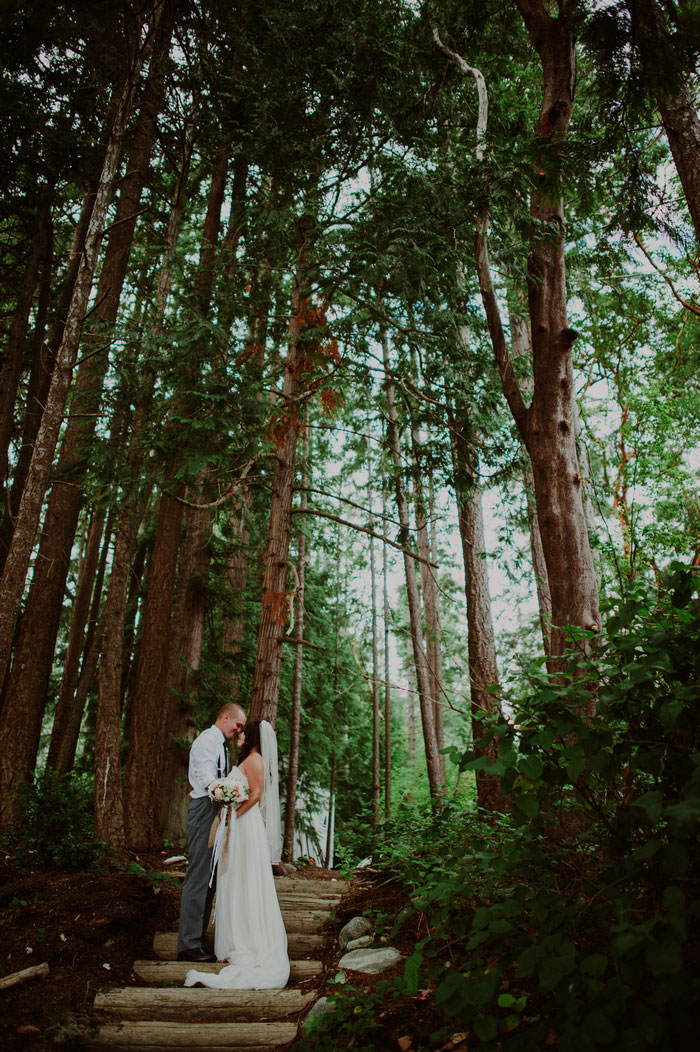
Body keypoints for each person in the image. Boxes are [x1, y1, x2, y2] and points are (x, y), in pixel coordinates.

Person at [184, 719, 290, 989]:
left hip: (244, 824)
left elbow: (255, 795)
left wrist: (235, 816)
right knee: (232, 877)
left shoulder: (254, 760)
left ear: (252, 736)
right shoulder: (246, 757)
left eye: (243, 731)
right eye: (238, 729)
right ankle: (227, 938)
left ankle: (243, 939)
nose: (239, 735)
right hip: (238, 825)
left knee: (242, 878)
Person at [176, 702, 246, 963]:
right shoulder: (207, 741)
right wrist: (228, 789)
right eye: (237, 725)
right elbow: (206, 778)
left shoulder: (221, 745)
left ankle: (198, 938)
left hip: (215, 808)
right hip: (204, 808)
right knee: (198, 875)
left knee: (210, 878)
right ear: (225, 717)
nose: (238, 730)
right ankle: (187, 945)